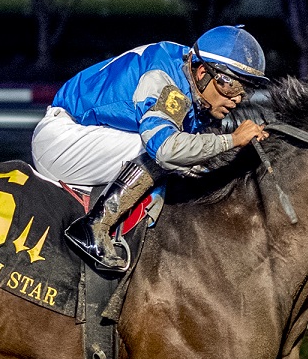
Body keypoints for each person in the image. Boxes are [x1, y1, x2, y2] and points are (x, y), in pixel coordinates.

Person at [31, 24, 271, 271]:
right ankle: (93, 228)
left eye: (245, 90)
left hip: (89, 137)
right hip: (61, 140)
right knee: (161, 152)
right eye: (230, 86)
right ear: (202, 72)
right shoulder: (166, 82)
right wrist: (232, 140)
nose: (237, 99)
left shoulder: (189, 75)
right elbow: (165, 149)